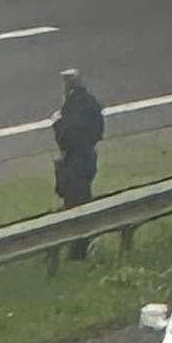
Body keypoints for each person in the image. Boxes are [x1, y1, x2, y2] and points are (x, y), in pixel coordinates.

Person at [52, 70, 105, 258]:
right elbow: (99, 131)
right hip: (89, 158)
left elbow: (66, 138)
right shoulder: (91, 103)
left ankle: (78, 250)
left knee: (74, 204)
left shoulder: (72, 108)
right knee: (83, 199)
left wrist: (57, 124)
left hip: (75, 162)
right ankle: (80, 246)